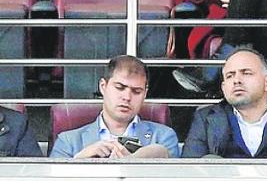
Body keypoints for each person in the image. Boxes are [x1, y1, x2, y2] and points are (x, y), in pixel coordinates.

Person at [182, 46, 267, 158]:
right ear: (223, 88)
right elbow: (191, 175)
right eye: (230, 76)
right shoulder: (204, 119)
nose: (236, 80)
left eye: (246, 73)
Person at [49, 54, 179, 159]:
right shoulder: (68, 141)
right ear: (103, 87)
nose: (127, 97)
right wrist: (79, 160)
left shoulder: (164, 137)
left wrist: (135, 162)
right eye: (120, 88)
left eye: (136, 91)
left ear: (145, 93)